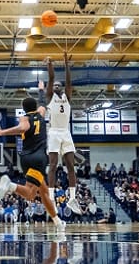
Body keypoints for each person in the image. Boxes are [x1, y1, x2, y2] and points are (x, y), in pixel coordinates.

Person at [0, 97, 63, 227]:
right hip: (39, 158)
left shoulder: (24, 118)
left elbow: (22, 127)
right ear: (35, 106)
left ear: (24, 109)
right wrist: (41, 90)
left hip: (25, 159)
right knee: (30, 194)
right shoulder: (40, 113)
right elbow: (41, 106)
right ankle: (11, 186)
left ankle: (57, 222)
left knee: (43, 191)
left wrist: (1, 132)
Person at [43, 56, 83, 215]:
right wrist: (50, 64)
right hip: (53, 132)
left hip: (66, 132)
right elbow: (52, 77)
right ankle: (51, 198)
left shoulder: (67, 96)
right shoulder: (49, 97)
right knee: (52, 165)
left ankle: (72, 198)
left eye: (60, 85)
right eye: (56, 85)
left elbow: (69, 81)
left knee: (71, 166)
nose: (57, 86)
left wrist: (67, 64)